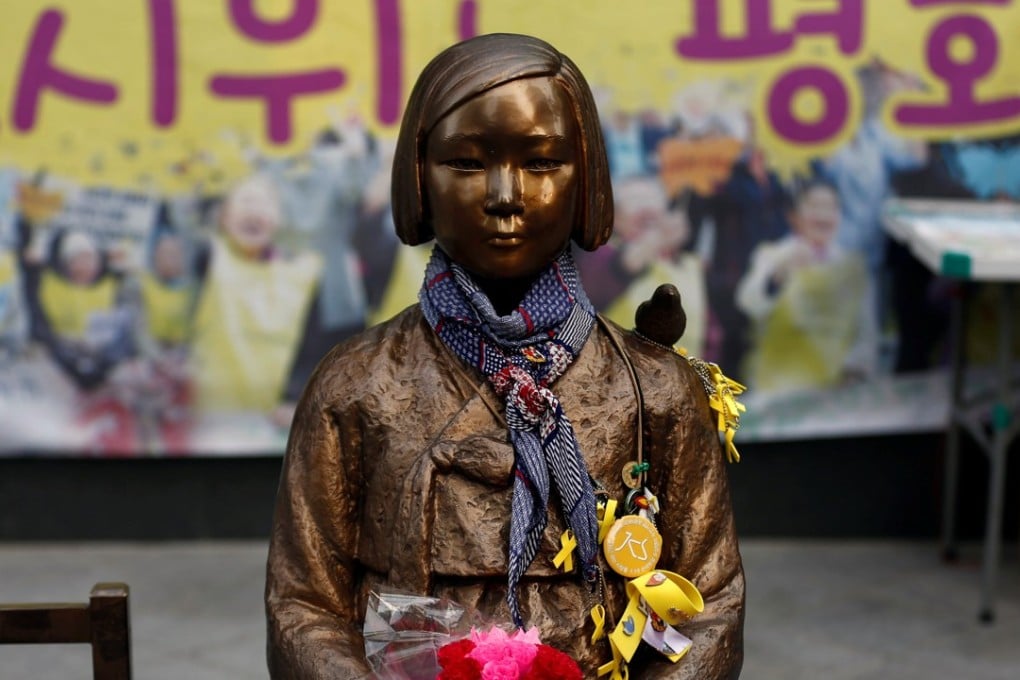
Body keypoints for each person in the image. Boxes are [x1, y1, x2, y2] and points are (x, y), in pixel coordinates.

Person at [266, 33, 743, 679]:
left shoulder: (652, 389)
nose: (505, 195)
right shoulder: (355, 383)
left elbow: (709, 604)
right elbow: (304, 605)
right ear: (418, 178)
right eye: (465, 163)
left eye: (543, 163)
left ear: (588, 180)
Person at [736, 180, 877, 395]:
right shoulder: (771, 256)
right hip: (776, 390)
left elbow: (866, 332)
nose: (823, 215)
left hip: (834, 393)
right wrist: (777, 278)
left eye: (831, 207)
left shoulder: (853, 267)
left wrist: (851, 373)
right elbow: (749, 305)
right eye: (814, 206)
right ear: (793, 216)